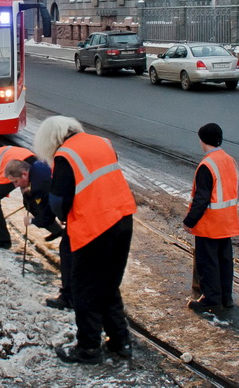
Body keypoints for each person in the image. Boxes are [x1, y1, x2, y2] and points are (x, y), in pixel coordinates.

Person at [35, 115, 136, 365]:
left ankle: (88, 348)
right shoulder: (102, 142)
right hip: (123, 219)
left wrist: (61, 216)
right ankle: (120, 342)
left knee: (86, 289)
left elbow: (58, 201)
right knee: (109, 284)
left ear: (51, 138)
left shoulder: (65, 155)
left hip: (95, 228)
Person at [184, 123, 239, 314]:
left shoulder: (207, 165)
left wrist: (189, 221)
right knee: (224, 261)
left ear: (202, 140)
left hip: (210, 223)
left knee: (207, 262)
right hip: (228, 220)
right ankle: (226, 297)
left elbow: (202, 198)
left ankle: (211, 300)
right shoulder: (229, 160)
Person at [4, 158, 72, 311]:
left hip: (78, 212)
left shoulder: (39, 186)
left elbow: (47, 217)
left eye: (16, 181)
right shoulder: (37, 167)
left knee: (68, 252)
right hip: (71, 204)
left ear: (24, 174)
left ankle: (69, 297)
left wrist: (32, 221)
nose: (16, 186)